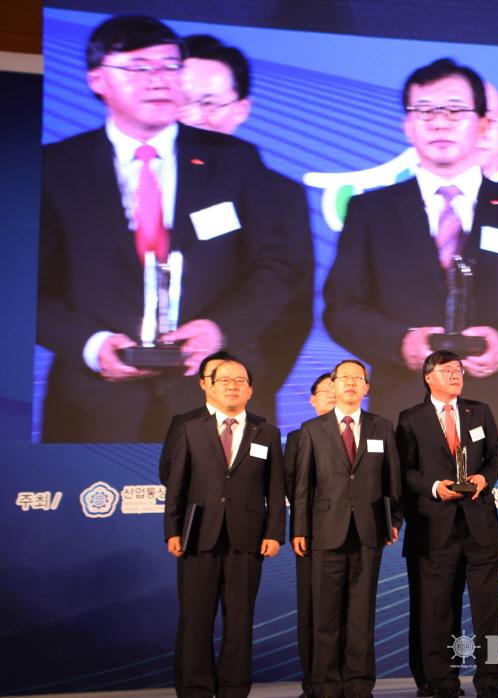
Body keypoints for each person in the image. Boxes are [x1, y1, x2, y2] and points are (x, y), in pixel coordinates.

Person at [38, 15, 303, 442]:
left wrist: (221, 329)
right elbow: (27, 286)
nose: (158, 80)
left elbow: (276, 267)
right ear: (97, 79)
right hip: (93, 404)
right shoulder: (54, 168)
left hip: (216, 402)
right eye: (138, 67)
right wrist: (91, 344)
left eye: (168, 66)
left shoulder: (236, 160)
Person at [321, 58, 498, 435]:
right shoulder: (371, 211)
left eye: (455, 110)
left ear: (482, 124)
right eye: (425, 111)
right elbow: (342, 308)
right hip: (406, 408)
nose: (440, 123)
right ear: (407, 125)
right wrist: (401, 343)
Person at [179, 33, 314, 420]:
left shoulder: (279, 195)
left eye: (210, 103)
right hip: (122, 401)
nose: (195, 115)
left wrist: (248, 379)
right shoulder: (130, 182)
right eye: (184, 100)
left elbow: (292, 313)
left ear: (241, 108)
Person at [163, 357, 285, 697]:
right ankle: (196, 688)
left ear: (250, 390)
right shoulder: (191, 429)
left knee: (240, 620)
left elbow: (276, 490)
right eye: (225, 381)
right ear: (210, 387)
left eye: (240, 381)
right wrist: (173, 530)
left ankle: (234, 687)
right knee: (196, 618)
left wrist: (274, 533)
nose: (233, 386)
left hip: (248, 538)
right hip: (198, 535)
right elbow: (176, 485)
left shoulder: (267, 433)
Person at [396, 350, 498, 698]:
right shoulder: (411, 418)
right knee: (438, 608)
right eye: (447, 370)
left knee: (488, 608)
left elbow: (495, 456)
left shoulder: (479, 411)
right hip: (434, 524)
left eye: (459, 369)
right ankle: (442, 680)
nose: (456, 375)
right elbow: (405, 470)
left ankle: (490, 680)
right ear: (428, 377)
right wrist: (434, 487)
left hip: (479, 523)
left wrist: (484, 478)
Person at [291, 359, 403, 698]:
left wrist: (393, 521)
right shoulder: (312, 429)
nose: (351, 383)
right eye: (344, 378)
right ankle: (326, 684)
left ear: (367, 387)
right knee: (325, 615)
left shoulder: (382, 427)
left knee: (361, 615)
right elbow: (303, 486)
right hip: (324, 531)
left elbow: (392, 481)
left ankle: (358, 684)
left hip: (369, 531)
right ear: (333, 384)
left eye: (358, 378)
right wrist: (299, 529)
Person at [283, 372, 336, 698]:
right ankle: (314, 681)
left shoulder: (363, 433)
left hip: (350, 533)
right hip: (314, 535)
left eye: (336, 388)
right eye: (324, 390)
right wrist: (301, 528)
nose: (332, 393)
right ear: (312, 399)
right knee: (313, 610)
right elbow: (294, 487)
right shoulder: (300, 436)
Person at [158, 350, 235, 486]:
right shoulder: (184, 424)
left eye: (226, 376)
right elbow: (168, 472)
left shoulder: (256, 425)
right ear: (203, 383)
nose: (220, 382)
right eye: (214, 376)